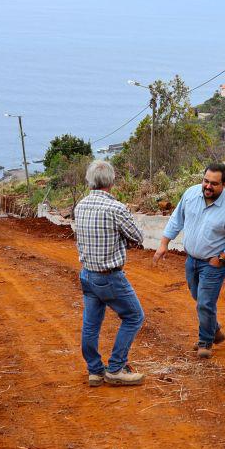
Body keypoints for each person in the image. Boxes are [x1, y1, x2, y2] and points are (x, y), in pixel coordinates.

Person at [152, 162, 225, 359]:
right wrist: (164, 243)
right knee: (199, 297)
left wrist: (222, 257)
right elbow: (176, 219)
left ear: (224, 185)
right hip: (192, 260)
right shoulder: (190, 194)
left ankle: (205, 341)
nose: (208, 186)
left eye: (214, 183)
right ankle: (214, 329)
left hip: (214, 263)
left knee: (205, 302)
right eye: (205, 181)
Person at [73, 160, 146, 387]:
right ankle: (115, 368)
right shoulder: (116, 208)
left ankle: (95, 371)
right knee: (134, 316)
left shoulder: (80, 206)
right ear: (112, 181)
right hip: (109, 275)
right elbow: (138, 237)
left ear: (90, 181)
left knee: (91, 324)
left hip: (87, 274)